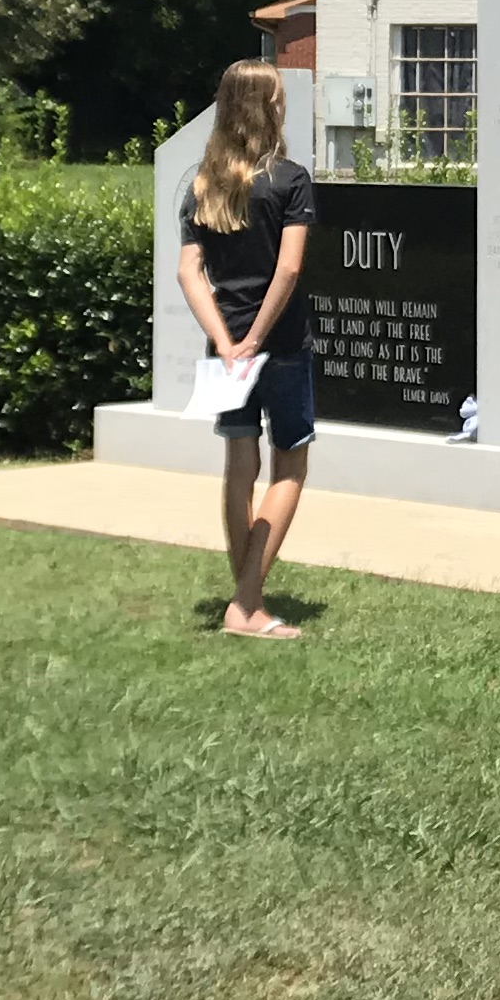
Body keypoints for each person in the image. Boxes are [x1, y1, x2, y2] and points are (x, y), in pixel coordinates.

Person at [177, 59, 316, 635]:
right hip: (279, 344)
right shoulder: (291, 180)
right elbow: (287, 269)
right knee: (290, 467)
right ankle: (246, 604)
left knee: (239, 465)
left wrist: (226, 341)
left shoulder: (203, 186)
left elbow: (190, 273)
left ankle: (245, 596)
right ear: (268, 108)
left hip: (225, 352)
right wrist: (256, 338)